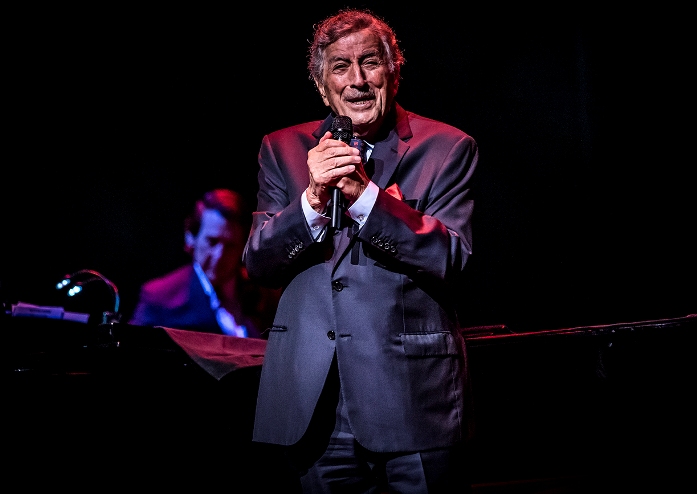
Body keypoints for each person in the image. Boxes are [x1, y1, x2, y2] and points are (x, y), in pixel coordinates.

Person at [242, 8, 479, 493]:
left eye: (370, 62)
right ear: (320, 84)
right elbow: (259, 263)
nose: (357, 81)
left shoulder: (447, 147)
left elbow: (452, 258)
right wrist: (312, 199)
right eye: (340, 67)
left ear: (394, 71)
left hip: (414, 398)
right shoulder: (282, 149)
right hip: (313, 401)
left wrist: (365, 197)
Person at [129, 188, 277, 338]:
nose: (219, 255)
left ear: (244, 247)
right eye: (212, 242)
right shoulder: (160, 298)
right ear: (190, 237)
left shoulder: (267, 297)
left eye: (230, 245)